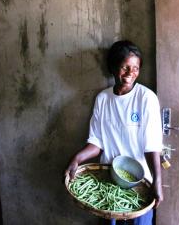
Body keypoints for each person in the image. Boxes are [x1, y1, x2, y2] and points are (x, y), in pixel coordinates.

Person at [65, 40, 163, 225]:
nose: (130, 73)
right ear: (113, 67)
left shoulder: (146, 98)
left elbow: (152, 145)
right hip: (109, 182)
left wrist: (157, 181)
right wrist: (77, 159)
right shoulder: (103, 99)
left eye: (135, 68)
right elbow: (96, 142)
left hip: (139, 186)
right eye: (125, 67)